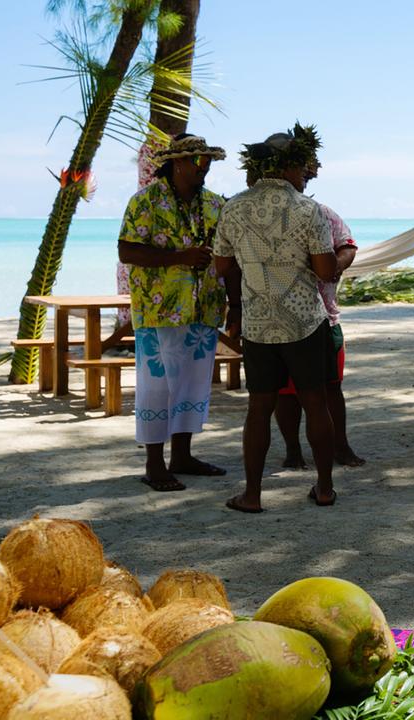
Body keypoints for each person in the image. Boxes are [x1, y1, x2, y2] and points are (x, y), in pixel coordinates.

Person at [214, 125, 340, 513]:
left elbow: (221, 265)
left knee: (258, 408)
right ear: (286, 166)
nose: (306, 173)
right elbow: (324, 270)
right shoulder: (308, 209)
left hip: (258, 324)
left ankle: (252, 494)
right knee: (316, 403)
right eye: (302, 166)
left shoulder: (233, 207)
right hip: (304, 321)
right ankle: (323, 488)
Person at [117, 133, 233, 492]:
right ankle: (154, 463)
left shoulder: (215, 204)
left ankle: (182, 456)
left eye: (208, 162)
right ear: (178, 163)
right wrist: (178, 258)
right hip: (159, 311)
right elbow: (127, 251)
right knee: (157, 387)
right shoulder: (146, 202)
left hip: (204, 309)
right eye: (199, 162)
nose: (205, 169)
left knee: (192, 386)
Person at [274, 160, 365, 469]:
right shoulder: (258, 216)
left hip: (324, 315)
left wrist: (335, 266)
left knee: (330, 387)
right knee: (285, 392)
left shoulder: (322, 213)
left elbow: (348, 245)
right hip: (276, 319)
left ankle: (340, 446)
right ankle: (293, 451)